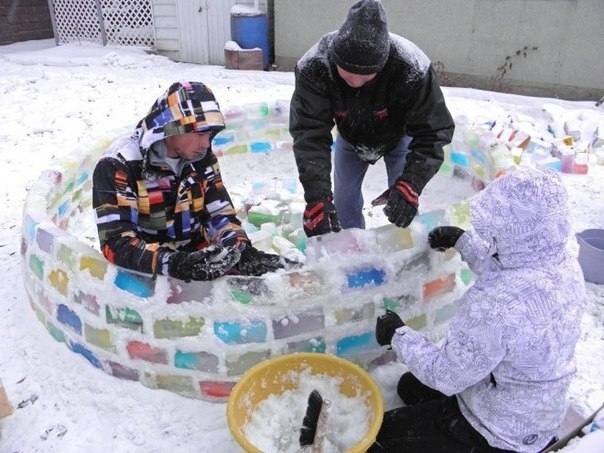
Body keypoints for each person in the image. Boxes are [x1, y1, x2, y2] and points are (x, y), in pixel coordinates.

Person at [372, 166, 586, 452]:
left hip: (498, 429)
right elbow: (511, 273)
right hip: (533, 403)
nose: (490, 241)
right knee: (409, 386)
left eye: (494, 236)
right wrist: (463, 242)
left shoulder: (496, 307)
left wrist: (397, 335)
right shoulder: (561, 263)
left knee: (382, 434)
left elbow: (447, 375)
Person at [92, 80, 291, 282]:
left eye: (210, 135)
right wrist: (175, 263)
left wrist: (240, 250)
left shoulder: (201, 157)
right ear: (171, 128)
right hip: (144, 274)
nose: (206, 143)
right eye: (201, 134)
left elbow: (219, 215)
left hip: (200, 260)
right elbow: (116, 243)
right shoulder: (118, 166)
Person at [289, 0, 455, 237]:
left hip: (399, 137)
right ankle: (351, 249)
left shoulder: (411, 67)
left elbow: (434, 131)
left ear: (384, 63)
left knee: (404, 203)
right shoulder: (314, 66)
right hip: (350, 138)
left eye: (366, 76)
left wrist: (412, 182)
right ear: (336, 57)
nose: (356, 82)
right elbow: (309, 134)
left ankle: (406, 249)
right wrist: (317, 197)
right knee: (343, 198)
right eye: (347, 73)